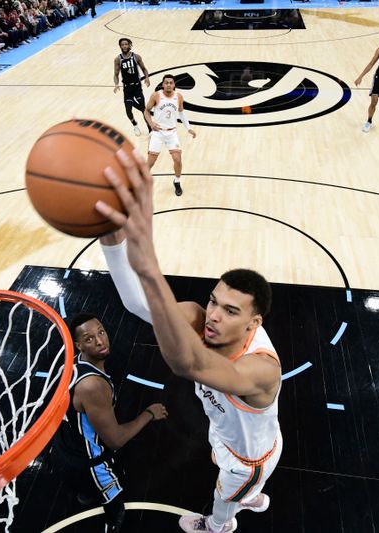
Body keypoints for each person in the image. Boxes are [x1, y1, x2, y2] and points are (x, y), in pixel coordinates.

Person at [96, 152, 282, 533]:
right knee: (235, 474)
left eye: (230, 311)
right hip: (229, 432)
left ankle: (218, 525)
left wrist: (148, 268)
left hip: (247, 459)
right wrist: (112, 237)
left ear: (254, 322)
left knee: (222, 499)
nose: (213, 314)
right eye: (214, 301)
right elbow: (136, 305)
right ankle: (252, 496)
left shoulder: (260, 369)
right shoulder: (200, 318)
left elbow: (189, 366)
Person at [53, 312, 168, 533]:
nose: (100, 341)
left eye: (101, 332)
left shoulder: (72, 365)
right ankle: (111, 523)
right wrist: (149, 414)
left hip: (64, 449)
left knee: (84, 488)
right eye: (89, 339)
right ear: (79, 345)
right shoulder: (93, 386)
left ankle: (86, 492)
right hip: (91, 464)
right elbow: (115, 440)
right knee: (115, 507)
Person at [144, 74, 197, 197]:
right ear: (163, 84)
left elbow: (181, 114)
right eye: (166, 82)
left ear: (174, 85)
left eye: (171, 83)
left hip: (172, 132)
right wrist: (151, 124)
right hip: (158, 132)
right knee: (151, 162)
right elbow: (146, 111)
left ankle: (177, 181)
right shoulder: (156, 95)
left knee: (177, 159)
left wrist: (189, 128)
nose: (168, 84)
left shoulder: (178, 97)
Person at [113, 38, 150, 137]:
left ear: (129, 45)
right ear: (120, 46)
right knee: (128, 109)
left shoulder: (136, 57)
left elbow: (143, 68)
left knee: (143, 108)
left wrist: (147, 78)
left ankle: (150, 129)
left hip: (137, 86)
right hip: (127, 88)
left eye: (126, 44)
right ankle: (135, 125)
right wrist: (116, 84)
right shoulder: (118, 59)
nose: (124, 46)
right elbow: (116, 74)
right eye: (122, 44)